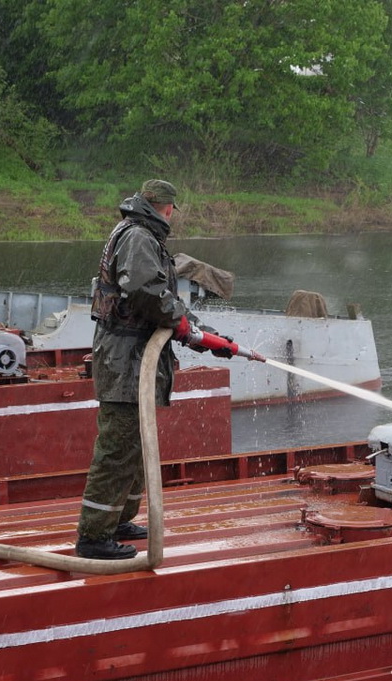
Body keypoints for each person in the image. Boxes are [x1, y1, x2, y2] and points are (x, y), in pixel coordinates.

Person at [75, 179, 224, 560]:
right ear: (169, 207)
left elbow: (163, 299)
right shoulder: (140, 237)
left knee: (136, 444)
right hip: (125, 360)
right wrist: (183, 324)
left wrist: (202, 333)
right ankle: (94, 536)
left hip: (134, 358)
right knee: (117, 448)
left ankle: (119, 520)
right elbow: (147, 294)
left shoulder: (139, 233)